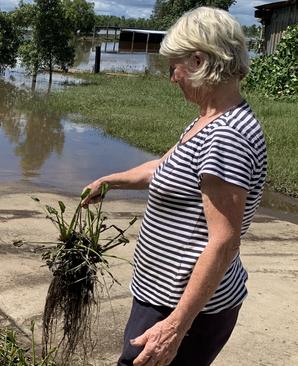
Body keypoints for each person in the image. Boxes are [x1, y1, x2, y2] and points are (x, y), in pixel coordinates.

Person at [81, 7, 268, 366]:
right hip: (162, 297)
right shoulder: (207, 121)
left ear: (198, 61)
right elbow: (162, 168)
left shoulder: (226, 136)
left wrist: (175, 327)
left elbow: (224, 242)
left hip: (181, 307)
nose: (172, 78)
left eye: (174, 67)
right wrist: (109, 181)